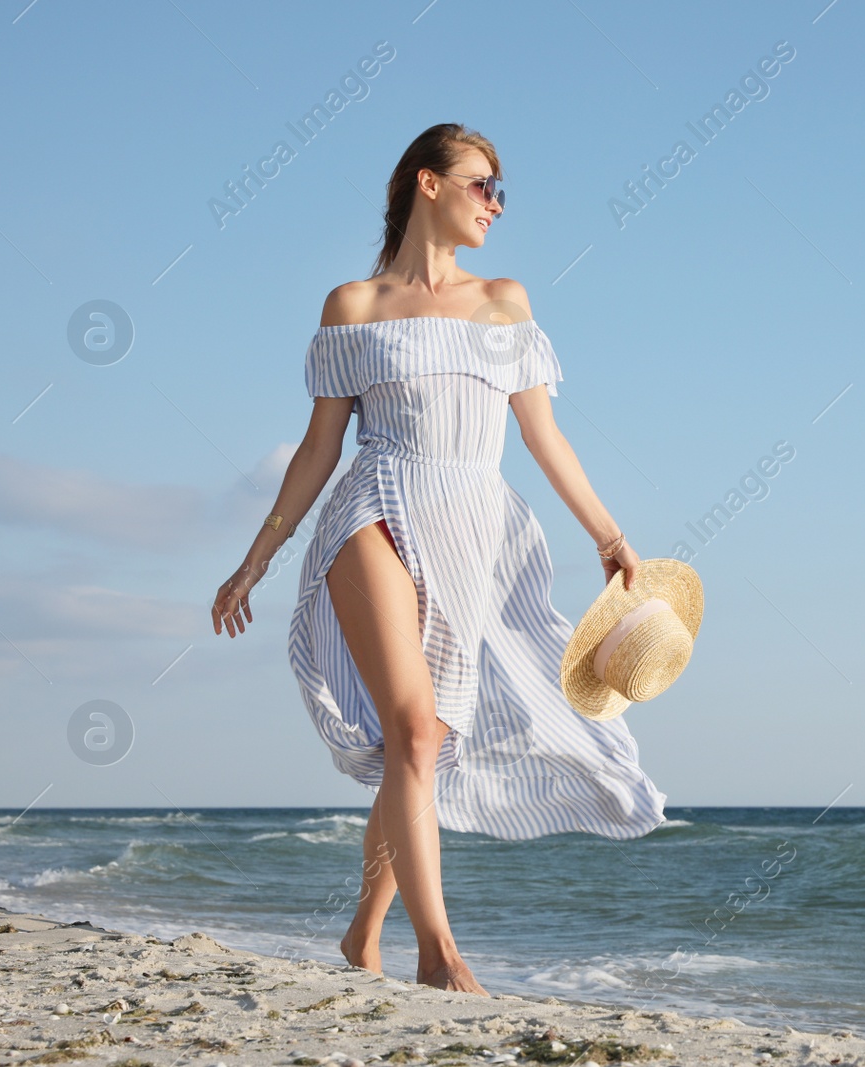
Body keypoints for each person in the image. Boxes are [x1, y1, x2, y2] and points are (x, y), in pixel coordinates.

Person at [209, 123, 667, 994]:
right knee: (415, 729)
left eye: (502, 190)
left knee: (417, 748)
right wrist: (257, 557)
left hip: (473, 528)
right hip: (373, 506)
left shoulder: (505, 302)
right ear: (428, 184)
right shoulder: (355, 306)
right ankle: (439, 953)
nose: (496, 202)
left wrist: (608, 536)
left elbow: (544, 436)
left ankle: (361, 936)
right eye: (482, 183)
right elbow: (317, 450)